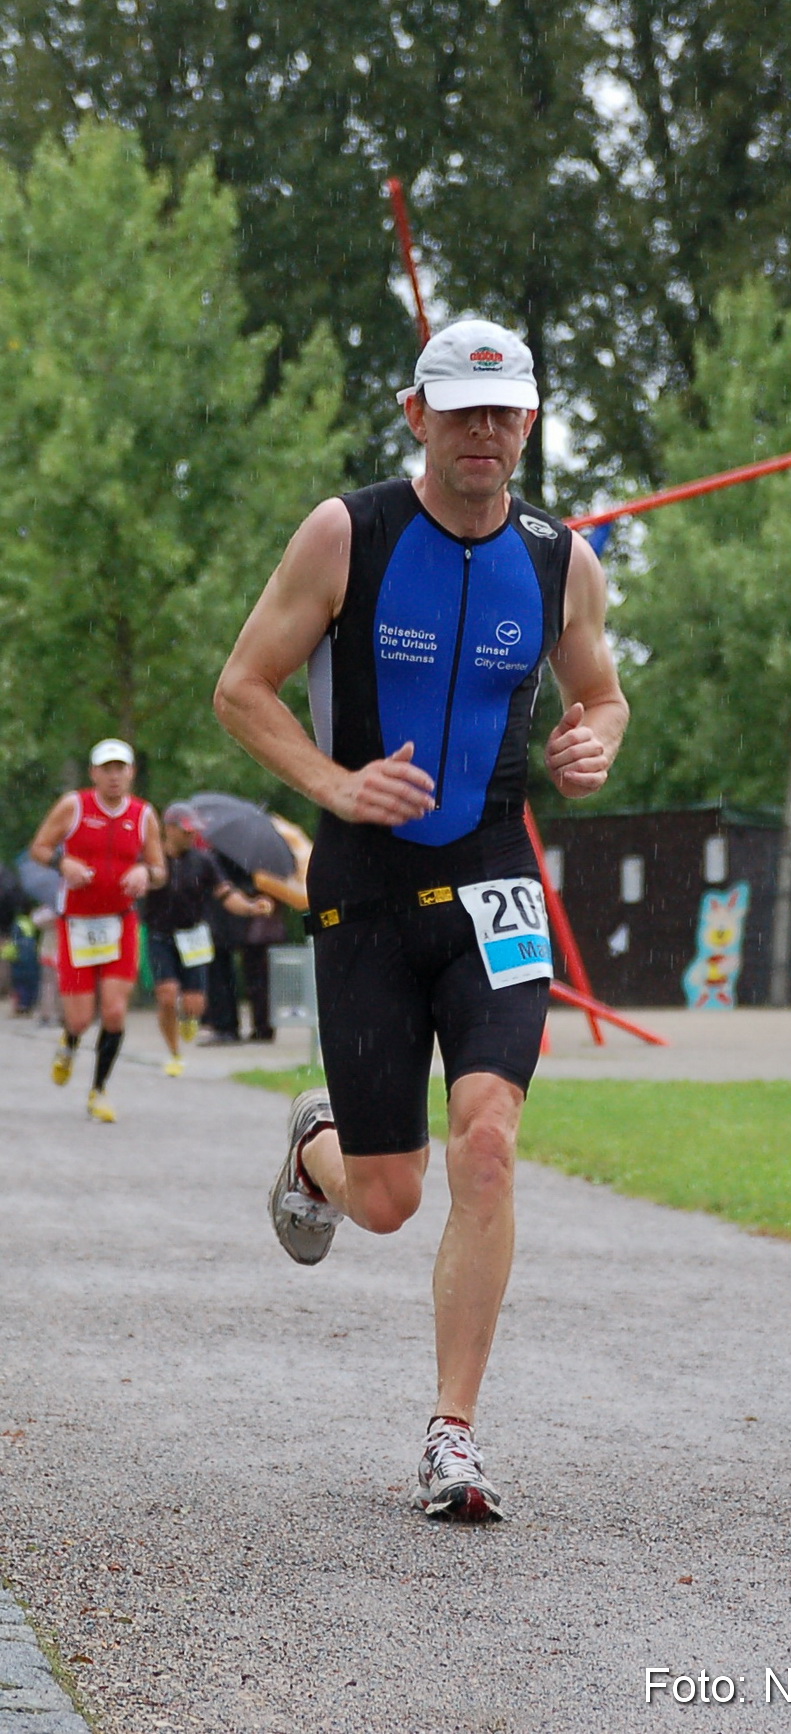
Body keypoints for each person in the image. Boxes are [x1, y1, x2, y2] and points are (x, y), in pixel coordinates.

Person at [215, 317, 628, 1519]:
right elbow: (242, 687)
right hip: (369, 883)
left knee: (488, 1144)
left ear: (531, 422)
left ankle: (454, 1434)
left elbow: (602, 694)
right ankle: (315, 1149)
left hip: (496, 875)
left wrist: (593, 739)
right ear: (416, 415)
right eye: (460, 412)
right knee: (390, 1200)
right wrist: (337, 785)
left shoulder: (563, 559)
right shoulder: (351, 533)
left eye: (504, 414)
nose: (483, 435)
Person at [28, 739, 166, 1122]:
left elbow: (159, 870)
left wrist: (144, 872)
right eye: (107, 768)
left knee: (115, 1011)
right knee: (79, 1018)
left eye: (121, 768)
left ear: (131, 773)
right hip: (76, 926)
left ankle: (99, 1090)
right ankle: (69, 1042)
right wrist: (63, 862)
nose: (114, 775)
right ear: (94, 774)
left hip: (120, 923)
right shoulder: (74, 806)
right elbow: (38, 847)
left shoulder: (143, 814)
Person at [143, 804, 274, 1075]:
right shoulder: (152, 860)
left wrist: (250, 906)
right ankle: (174, 1052)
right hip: (160, 936)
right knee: (167, 996)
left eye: (194, 832)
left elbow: (226, 894)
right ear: (169, 829)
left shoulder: (204, 861)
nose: (192, 837)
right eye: (186, 831)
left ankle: (190, 1019)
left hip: (193, 936)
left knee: (195, 1005)